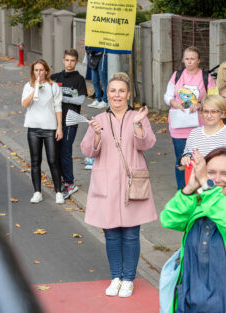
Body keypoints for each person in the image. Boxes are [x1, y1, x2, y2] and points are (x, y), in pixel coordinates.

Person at [81, 73, 157, 298]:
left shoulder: (138, 116)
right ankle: (116, 276)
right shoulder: (99, 119)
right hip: (106, 183)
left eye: (121, 91)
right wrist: (95, 135)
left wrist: (138, 127)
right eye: (113, 90)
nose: (117, 95)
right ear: (107, 92)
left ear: (128, 94)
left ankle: (128, 278)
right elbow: (87, 151)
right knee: (111, 233)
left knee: (132, 234)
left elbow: (147, 143)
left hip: (132, 181)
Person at [161, 147, 226, 313]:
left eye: (225, 173)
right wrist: (189, 189)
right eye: (211, 173)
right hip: (189, 296)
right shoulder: (196, 202)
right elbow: (168, 219)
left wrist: (207, 188)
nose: (217, 179)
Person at [163, 46, 217, 190]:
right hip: (178, 126)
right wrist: (173, 102)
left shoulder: (206, 77)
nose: (189, 62)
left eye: (192, 59)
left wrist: (200, 104)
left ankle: (199, 189)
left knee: (200, 160)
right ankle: (182, 191)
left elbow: (214, 98)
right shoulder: (177, 75)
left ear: (198, 60)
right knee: (181, 160)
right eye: (186, 59)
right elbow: (167, 95)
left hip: (198, 127)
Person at [21, 59, 64, 205]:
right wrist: (35, 90)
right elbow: (25, 104)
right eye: (36, 70)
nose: (39, 73)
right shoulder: (28, 86)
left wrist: (59, 128)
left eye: (41, 70)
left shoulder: (53, 87)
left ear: (46, 71)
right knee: (35, 161)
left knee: (53, 160)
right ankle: (37, 192)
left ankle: (58, 192)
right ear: (33, 72)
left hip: (50, 128)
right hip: (33, 128)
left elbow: (58, 107)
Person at [50, 49, 87, 199]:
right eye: (67, 60)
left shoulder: (79, 79)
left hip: (71, 120)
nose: (69, 63)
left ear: (76, 62)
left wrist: (60, 97)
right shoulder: (55, 77)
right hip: (55, 120)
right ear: (63, 60)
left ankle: (70, 183)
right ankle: (62, 181)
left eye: (72, 60)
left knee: (65, 150)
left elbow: (80, 100)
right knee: (56, 152)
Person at [180, 95, 226, 172]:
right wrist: (184, 160)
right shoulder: (194, 134)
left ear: (223, 114)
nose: (209, 115)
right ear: (201, 114)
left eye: (214, 111)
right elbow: (182, 165)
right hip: (196, 182)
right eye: (206, 111)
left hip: (220, 182)